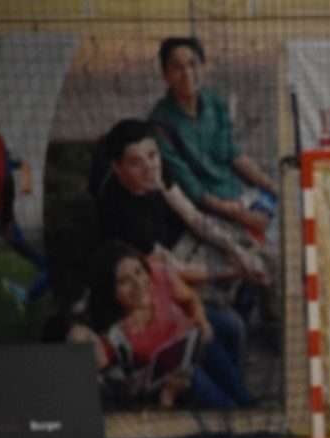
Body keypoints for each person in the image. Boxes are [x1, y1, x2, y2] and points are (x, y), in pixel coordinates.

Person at [96, 119, 276, 317]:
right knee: (230, 300)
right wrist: (235, 271)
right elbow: (172, 267)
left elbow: (192, 216)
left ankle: (273, 320)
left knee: (265, 256)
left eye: (152, 155)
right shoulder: (120, 214)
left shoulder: (157, 169)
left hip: (190, 238)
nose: (149, 168)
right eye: (135, 163)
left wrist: (236, 249)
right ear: (117, 167)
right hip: (164, 265)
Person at [87, 240, 256, 409]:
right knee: (207, 389)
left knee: (242, 396)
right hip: (177, 381)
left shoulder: (158, 276)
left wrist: (201, 320)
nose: (138, 284)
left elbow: (190, 299)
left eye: (139, 272)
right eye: (124, 281)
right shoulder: (114, 337)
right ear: (109, 290)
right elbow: (123, 390)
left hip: (195, 345)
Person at [148, 37, 278, 241]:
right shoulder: (160, 125)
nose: (187, 74)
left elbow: (232, 154)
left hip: (238, 199)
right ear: (166, 75)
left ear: (204, 68)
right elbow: (193, 190)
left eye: (193, 64)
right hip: (202, 216)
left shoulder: (212, 102)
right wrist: (242, 216)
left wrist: (272, 187)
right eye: (177, 68)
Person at [0, 128, 49, 309]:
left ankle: (35, 290)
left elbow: (5, 179)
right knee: (21, 245)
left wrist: (6, 219)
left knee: (21, 245)